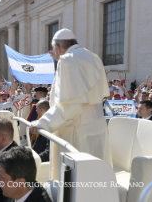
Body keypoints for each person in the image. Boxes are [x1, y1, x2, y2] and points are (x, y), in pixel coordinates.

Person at [30, 28, 112, 179]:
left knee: (78, 184)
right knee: (96, 178)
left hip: (77, 132)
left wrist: (42, 123)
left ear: (58, 47)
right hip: (97, 129)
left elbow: (69, 108)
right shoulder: (93, 56)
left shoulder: (67, 60)